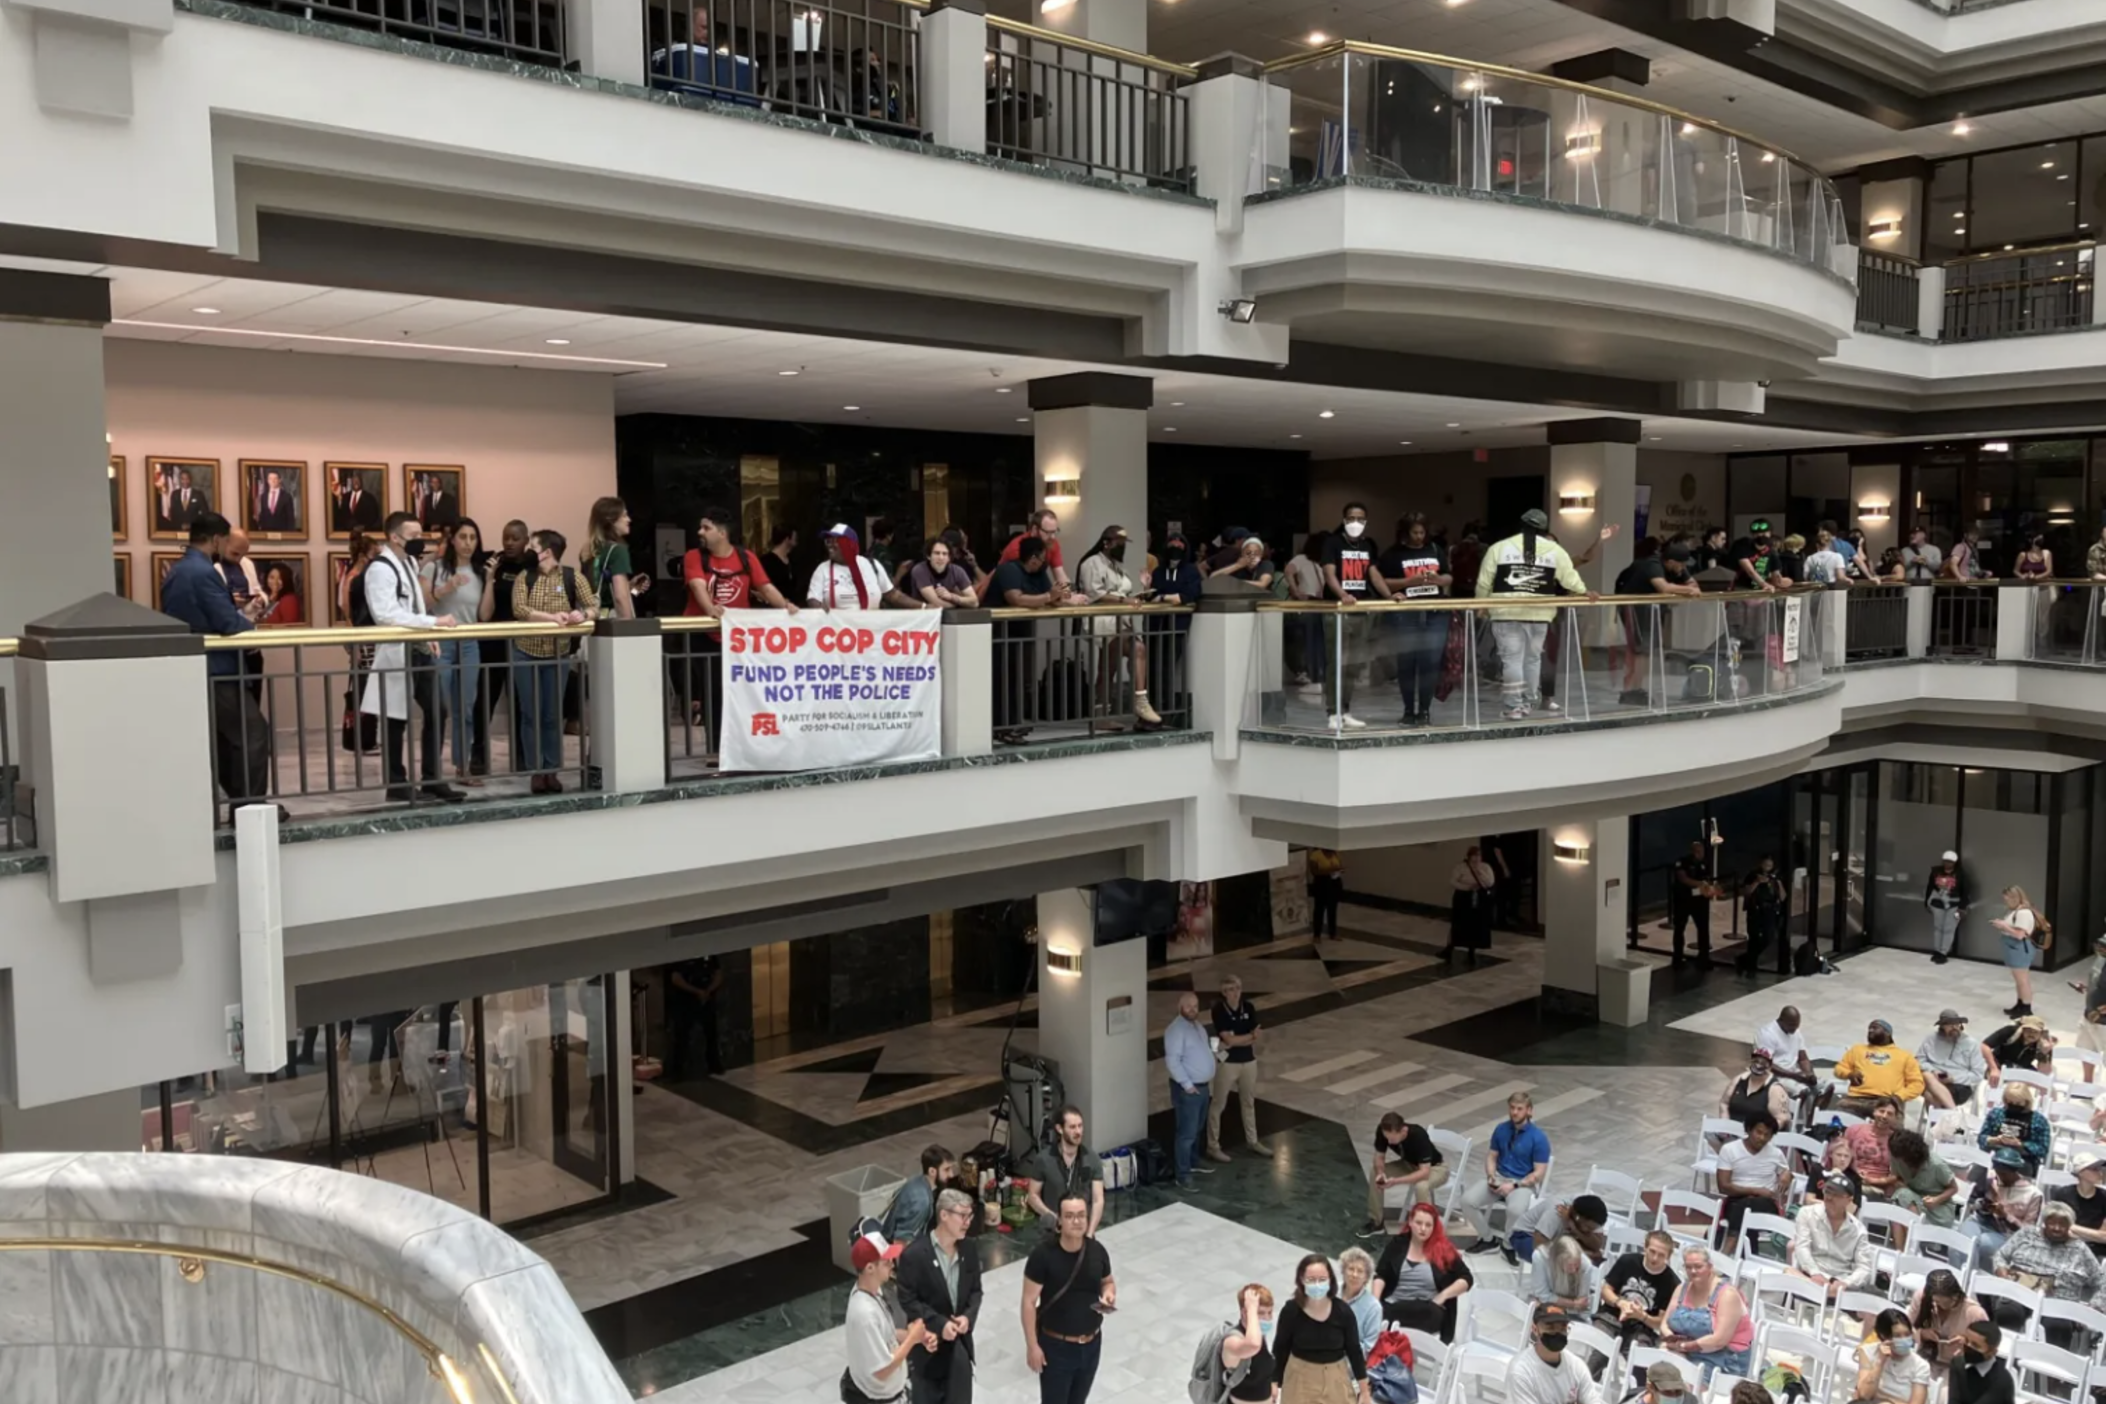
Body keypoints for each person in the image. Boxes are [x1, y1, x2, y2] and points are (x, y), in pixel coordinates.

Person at [161, 512, 275, 812]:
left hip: (200, 666)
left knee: (226, 741)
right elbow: (227, 622)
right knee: (253, 735)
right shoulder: (202, 572)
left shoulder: (180, 569)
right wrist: (249, 628)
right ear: (215, 540)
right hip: (218, 669)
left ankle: (242, 804)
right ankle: (252, 809)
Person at [362, 511, 467, 804]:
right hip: (398, 650)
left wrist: (427, 633)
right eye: (414, 536)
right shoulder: (380, 569)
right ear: (394, 537)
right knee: (396, 719)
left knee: (437, 710)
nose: (420, 542)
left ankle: (432, 779)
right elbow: (386, 614)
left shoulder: (408, 562)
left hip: (417, 647)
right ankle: (397, 783)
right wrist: (433, 625)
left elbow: (416, 605)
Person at [1477, 508, 1594, 722]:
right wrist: (1583, 591)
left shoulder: (1499, 548)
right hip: (1540, 614)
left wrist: (1481, 604)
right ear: (1544, 529)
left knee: (1512, 661)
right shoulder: (1554, 550)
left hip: (1506, 612)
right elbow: (1569, 578)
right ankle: (1529, 701)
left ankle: (1514, 706)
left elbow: (1484, 581)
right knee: (1532, 660)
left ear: (1521, 525)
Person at [511, 527, 597, 794]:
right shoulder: (525, 577)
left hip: (558, 654)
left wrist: (582, 615)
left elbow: (593, 603)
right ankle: (535, 770)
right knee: (530, 713)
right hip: (525, 652)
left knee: (551, 715)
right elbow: (520, 610)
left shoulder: (573, 577)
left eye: (533, 546)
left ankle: (552, 769)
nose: (529, 551)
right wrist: (551, 618)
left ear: (546, 552)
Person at [1020, 1193, 1114, 1404]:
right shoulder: (1043, 1256)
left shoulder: (1096, 1251)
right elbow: (1028, 1302)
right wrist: (1032, 1346)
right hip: (1057, 1346)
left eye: (1081, 1215)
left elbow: (1107, 1281)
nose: (1077, 1221)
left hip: (1091, 1343)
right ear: (1059, 1220)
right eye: (1070, 1216)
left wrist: (1109, 1293)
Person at [896, 1188, 981, 1404]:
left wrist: (967, 1318)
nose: (967, 1222)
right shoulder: (914, 1256)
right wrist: (939, 1323)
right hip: (927, 1352)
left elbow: (975, 1291)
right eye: (962, 1215)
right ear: (943, 1215)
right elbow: (908, 1300)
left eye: (970, 1216)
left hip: (959, 1350)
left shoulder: (969, 1249)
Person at [1319, 502, 1398, 730]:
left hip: (1360, 610)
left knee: (1353, 663)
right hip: (1337, 610)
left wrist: (1390, 595)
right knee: (1337, 661)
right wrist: (1342, 594)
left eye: (1360, 519)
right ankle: (1332, 712)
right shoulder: (1333, 543)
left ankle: (1345, 710)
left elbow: (1373, 574)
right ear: (1344, 520)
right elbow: (1328, 572)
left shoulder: (1366, 546)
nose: (1356, 523)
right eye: (1351, 518)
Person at [1074, 525, 1163, 728]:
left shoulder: (1117, 566)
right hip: (1102, 621)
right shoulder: (1092, 563)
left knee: (1109, 666)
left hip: (1122, 621)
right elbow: (1094, 593)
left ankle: (1101, 715)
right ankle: (1140, 702)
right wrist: (1124, 601)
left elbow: (1125, 592)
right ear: (1107, 542)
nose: (1122, 547)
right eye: (1119, 543)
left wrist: (1143, 588)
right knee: (1131, 652)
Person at [420, 518, 484, 788]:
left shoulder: (480, 572)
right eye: (463, 537)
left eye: (473, 537)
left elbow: (484, 613)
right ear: (453, 540)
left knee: (466, 708)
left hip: (469, 642)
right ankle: (432, 773)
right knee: (439, 708)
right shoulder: (433, 568)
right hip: (440, 642)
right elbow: (422, 603)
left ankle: (462, 766)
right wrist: (447, 587)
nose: (468, 543)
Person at [988, 535, 1067, 744]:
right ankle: (1001, 726)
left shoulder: (1039, 573)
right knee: (1002, 680)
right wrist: (1048, 597)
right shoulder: (1008, 570)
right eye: (1042, 559)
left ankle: (1014, 721)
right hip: (999, 634)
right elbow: (1016, 598)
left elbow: (1051, 596)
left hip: (1023, 633)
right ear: (1032, 558)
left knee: (1020, 679)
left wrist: (1065, 597)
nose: (1044, 563)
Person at [1460, 1092, 1551, 1264]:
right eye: (1512, 1108)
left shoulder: (1539, 1138)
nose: (1515, 1112)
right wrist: (1491, 1176)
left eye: (1519, 1109)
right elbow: (1492, 1156)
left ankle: (1508, 1245)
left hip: (1522, 1183)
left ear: (1529, 1111)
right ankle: (1488, 1239)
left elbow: (1538, 1174)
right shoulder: (1501, 1129)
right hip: (1500, 1176)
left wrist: (1514, 1186)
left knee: (1515, 1210)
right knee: (1467, 1200)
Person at [472, 519, 533, 778]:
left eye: (515, 538)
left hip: (521, 644)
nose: (509, 543)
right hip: (492, 645)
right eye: (505, 537)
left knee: (521, 704)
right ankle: (478, 755)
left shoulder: (533, 567)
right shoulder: (493, 564)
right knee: (483, 702)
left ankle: (522, 757)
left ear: (526, 540)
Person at [1378, 514, 1451, 727]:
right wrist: (1410, 581)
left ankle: (1425, 710)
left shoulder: (1435, 550)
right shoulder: (1393, 554)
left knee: (1430, 663)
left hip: (1435, 612)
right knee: (1407, 663)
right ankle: (1409, 709)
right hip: (1406, 613)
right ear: (1405, 533)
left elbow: (1448, 576)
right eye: (1415, 532)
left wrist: (1438, 579)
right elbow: (1382, 582)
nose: (1419, 537)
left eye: (1422, 532)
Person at [1270, 1253, 1371, 1404]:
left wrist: (1364, 1390)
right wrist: (1274, 1382)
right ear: (1301, 1280)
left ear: (1330, 1280)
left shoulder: (1343, 1312)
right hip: (1300, 1376)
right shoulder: (1291, 1310)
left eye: (1322, 1280)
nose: (1317, 1284)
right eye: (1311, 1280)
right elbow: (1280, 1348)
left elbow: (1354, 1351)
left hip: (1335, 1376)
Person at [845, 1232, 928, 1404]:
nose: (892, 1265)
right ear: (870, 1268)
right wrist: (911, 1339)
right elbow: (882, 1370)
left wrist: (919, 1337)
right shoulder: (864, 1314)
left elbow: (886, 1335)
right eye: (886, 1262)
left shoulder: (874, 1291)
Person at [1373, 1201, 1473, 1342]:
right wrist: (1374, 1302)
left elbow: (1467, 1278)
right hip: (1396, 1304)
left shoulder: (1443, 1249)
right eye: (1419, 1223)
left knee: (1429, 1313)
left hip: (1428, 1309)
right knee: (1378, 1313)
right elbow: (1381, 1274)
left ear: (1434, 1227)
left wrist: (1444, 1295)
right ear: (1410, 1222)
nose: (1423, 1229)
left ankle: (1396, 1335)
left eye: (1428, 1225)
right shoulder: (1398, 1244)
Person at [1616, 542, 1701, 701]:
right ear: (1670, 561)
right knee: (1640, 650)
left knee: (1647, 651)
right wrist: (1687, 590)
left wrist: (1687, 588)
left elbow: (1693, 584)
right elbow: (1664, 588)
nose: (1683, 568)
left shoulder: (1677, 568)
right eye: (1681, 564)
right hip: (1635, 610)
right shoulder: (1652, 564)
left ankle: (1638, 688)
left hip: (1653, 611)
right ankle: (1631, 690)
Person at [1991, 1201, 2100, 1320]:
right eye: (2052, 1223)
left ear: (2070, 1226)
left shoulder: (2080, 1249)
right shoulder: (2027, 1234)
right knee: (2007, 1313)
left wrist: (2092, 1310)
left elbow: (2102, 1281)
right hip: (2019, 1293)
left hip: (2058, 1304)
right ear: (2044, 1222)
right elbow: (2000, 1255)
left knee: (2056, 1326)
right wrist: (2003, 1276)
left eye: (2063, 1224)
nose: (2057, 1228)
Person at [1660, 1243, 1752, 1380]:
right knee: (1657, 1370)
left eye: (1698, 1266)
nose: (1693, 1271)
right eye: (1688, 1267)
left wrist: (1684, 1347)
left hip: (1722, 1358)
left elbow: (1719, 1340)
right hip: (1684, 1349)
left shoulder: (1727, 1295)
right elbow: (1664, 1324)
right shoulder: (1682, 1288)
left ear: (1710, 1267)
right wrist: (1670, 1339)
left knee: (1677, 1382)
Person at [1207, 976, 1268, 1161]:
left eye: (1238, 988)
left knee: (1248, 1101)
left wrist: (1241, 1039)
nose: (1236, 992)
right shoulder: (1219, 1010)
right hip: (1228, 1063)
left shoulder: (1248, 1007)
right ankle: (1213, 1145)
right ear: (1224, 993)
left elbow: (1256, 1036)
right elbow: (1228, 1040)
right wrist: (1246, 1037)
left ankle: (1253, 1140)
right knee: (1218, 1103)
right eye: (1231, 989)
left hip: (1249, 1061)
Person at [1790, 1172, 1875, 1298]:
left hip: (1840, 1281)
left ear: (1849, 1200)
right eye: (1827, 1192)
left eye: (1836, 1195)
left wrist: (1846, 1283)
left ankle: (1828, 1294)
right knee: (1789, 1272)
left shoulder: (1858, 1229)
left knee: (1874, 1294)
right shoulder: (1806, 1214)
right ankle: (1824, 1293)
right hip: (1813, 1275)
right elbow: (1802, 1247)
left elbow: (1865, 1267)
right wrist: (1815, 1273)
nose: (1829, 1197)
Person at [1715, 1112, 1792, 1252]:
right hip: (1736, 1200)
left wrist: (1787, 1175)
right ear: (1749, 1129)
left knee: (1747, 1206)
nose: (1762, 1138)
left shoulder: (1776, 1153)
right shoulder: (1729, 1150)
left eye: (1767, 1135)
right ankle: (1743, 1250)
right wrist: (1755, 1191)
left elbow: (1786, 1172)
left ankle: (1728, 1248)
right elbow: (1723, 1187)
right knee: (1745, 1206)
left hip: (1766, 1203)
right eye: (1759, 1132)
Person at [1022, 1107, 1104, 1237]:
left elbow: (1098, 1200)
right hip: (1053, 1232)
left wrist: (1090, 1232)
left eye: (1080, 1126)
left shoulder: (1092, 1158)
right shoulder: (1044, 1159)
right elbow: (1032, 1196)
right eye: (1072, 1127)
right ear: (1060, 1129)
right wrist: (1055, 1218)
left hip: (1082, 1232)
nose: (1078, 1131)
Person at [1361, 1112, 1446, 1238]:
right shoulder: (1383, 1131)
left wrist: (1395, 1181)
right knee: (1374, 1173)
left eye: (1392, 1139)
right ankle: (1376, 1222)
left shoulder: (1418, 1135)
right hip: (1408, 1164)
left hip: (1434, 1168)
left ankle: (1427, 1231)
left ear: (1403, 1130)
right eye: (1387, 1138)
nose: (1389, 1141)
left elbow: (1424, 1172)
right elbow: (1379, 1156)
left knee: (1421, 1186)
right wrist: (1380, 1173)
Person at [1164, 992, 1214, 1191]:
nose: (1193, 1009)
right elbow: (1172, 1060)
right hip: (1189, 1090)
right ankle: (1182, 1174)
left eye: (1195, 1006)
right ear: (1180, 1007)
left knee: (1197, 1128)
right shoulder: (1176, 1030)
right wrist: (1187, 1084)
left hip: (1202, 1087)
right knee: (1186, 1133)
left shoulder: (1197, 1026)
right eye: (1189, 1006)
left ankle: (1193, 1162)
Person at [1503, 1304, 1601, 1404]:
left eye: (1562, 1328)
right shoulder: (1521, 1371)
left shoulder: (1576, 1366)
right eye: (1550, 1327)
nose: (1557, 1333)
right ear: (1535, 1330)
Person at [1598, 1229, 1680, 1350]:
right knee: (1599, 1352)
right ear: (1645, 1247)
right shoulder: (1627, 1261)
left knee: (1640, 1360)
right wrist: (1620, 1303)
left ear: (1668, 1256)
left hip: (1642, 1327)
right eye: (1652, 1251)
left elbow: (1662, 1322)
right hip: (1611, 1316)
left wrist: (1642, 1316)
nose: (1655, 1258)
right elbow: (1605, 1290)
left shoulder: (1672, 1282)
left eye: (1661, 1255)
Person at [809, 523, 919, 610]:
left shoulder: (872, 565)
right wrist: (823, 615)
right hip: (839, 634)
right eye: (828, 541)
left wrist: (923, 607)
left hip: (869, 633)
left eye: (836, 541)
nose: (830, 545)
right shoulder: (823, 569)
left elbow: (893, 595)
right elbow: (814, 600)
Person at [1964, 1147, 2043, 1269]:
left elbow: (2028, 1232)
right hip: (1980, 1222)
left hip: (2006, 1235)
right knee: (1962, 1240)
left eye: (2004, 1174)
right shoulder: (1990, 1178)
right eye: (1997, 1171)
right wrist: (1983, 1204)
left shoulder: (2033, 1194)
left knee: (1982, 1244)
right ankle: (1958, 1279)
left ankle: (1975, 1281)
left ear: (2015, 1171)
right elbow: (1972, 1203)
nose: (2000, 1176)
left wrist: (2005, 1215)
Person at [1836, 1020, 1927, 1117]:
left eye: (1875, 1028)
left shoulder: (1904, 1056)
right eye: (1869, 1028)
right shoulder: (1857, 1050)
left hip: (1887, 1101)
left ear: (1888, 1033)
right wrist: (1849, 1074)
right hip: (1855, 1099)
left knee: (1888, 1123)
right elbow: (1840, 1068)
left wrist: (1900, 1096)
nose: (1870, 1030)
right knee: (1837, 1121)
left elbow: (1917, 1084)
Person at [1906, 1268, 1986, 1378]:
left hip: (1957, 1367)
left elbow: (1987, 1348)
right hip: (1925, 1359)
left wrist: (1967, 1343)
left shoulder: (1975, 1313)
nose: (1943, 1306)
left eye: (1948, 1302)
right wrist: (1922, 1334)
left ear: (1956, 1295)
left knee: (1944, 1393)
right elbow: (1905, 1328)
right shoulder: (1921, 1299)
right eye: (1937, 1302)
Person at [1205, 1284, 1275, 1404]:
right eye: (1261, 1313)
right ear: (1245, 1312)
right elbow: (1253, 1345)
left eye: (1269, 1313)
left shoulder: (1257, 1335)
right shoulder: (1232, 1341)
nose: (1267, 1318)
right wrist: (1251, 1308)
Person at [1827, 1096, 1904, 1197]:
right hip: (1849, 1177)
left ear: (1895, 1118)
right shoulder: (1854, 1130)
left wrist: (1872, 1180)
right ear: (1874, 1111)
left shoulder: (1897, 1141)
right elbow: (1841, 1153)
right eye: (1881, 1111)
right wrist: (1856, 1171)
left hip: (1876, 1186)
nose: (1884, 1116)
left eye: (1889, 1114)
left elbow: (1896, 1175)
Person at [1852, 1307, 1932, 1404]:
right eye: (1897, 1336)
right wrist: (1880, 1362)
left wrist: (1888, 1401)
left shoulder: (1920, 1366)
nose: (1904, 1340)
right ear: (1883, 1336)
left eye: (1907, 1334)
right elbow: (1864, 1395)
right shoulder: (1867, 1352)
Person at [882, 1145, 955, 1246]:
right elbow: (901, 1241)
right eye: (947, 1170)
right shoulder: (921, 1202)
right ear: (932, 1171)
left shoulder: (917, 1181)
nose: (951, 1174)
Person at [1989, 886, 2044, 1017]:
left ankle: (2026, 1008)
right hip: (2014, 948)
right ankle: (2019, 1004)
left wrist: (2003, 926)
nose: (2005, 901)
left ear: (2015, 897)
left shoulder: (2024, 913)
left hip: (2020, 948)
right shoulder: (2015, 911)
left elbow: (2020, 934)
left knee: (2022, 980)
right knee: (2019, 979)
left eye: (2007, 898)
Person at [1888, 1130, 1959, 1228]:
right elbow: (1895, 1177)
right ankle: (1905, 1242)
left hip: (1937, 1209)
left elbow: (1954, 1188)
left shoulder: (1936, 1164)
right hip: (1911, 1199)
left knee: (1903, 1195)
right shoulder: (1896, 1157)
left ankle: (1914, 1238)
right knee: (1900, 1199)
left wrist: (1936, 1200)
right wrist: (1899, 1184)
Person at [1919, 1008, 1986, 1110]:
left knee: (1932, 1096)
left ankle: (1940, 1119)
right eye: (1949, 1025)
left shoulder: (1971, 1044)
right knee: (1926, 1077)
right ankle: (1951, 1115)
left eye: (1956, 1024)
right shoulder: (1931, 1039)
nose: (1954, 1027)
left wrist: (1954, 1078)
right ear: (1942, 1026)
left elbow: (1978, 1075)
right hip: (1933, 1078)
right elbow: (1919, 1060)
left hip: (1959, 1085)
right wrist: (1933, 1071)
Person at [1977, 1083, 2051, 1175]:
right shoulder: (1995, 1114)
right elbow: (1981, 1138)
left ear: (2026, 1102)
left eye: (2018, 1103)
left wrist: (2021, 1144)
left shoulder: (2039, 1120)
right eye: (2010, 1103)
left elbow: (2043, 1149)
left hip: (2022, 1160)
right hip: (1995, 1153)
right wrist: (1994, 1140)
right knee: (1979, 1165)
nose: (2014, 1105)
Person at [1755, 1005, 1820, 1102]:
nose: (1795, 1029)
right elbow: (1765, 1064)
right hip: (1776, 1075)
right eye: (1792, 1026)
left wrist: (1809, 1074)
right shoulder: (1767, 1034)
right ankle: (1799, 1114)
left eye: (1797, 1025)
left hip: (1794, 1073)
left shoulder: (1795, 1032)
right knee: (1803, 1091)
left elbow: (1803, 1058)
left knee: (1822, 1088)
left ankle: (1815, 1112)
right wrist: (1794, 1075)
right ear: (1782, 1020)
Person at [1718, 1049, 1795, 1129]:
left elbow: (1782, 1119)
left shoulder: (1775, 1089)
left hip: (1758, 1135)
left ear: (1769, 1066)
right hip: (1731, 1129)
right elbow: (1724, 1103)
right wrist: (1725, 1124)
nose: (1758, 1065)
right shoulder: (1739, 1080)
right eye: (1756, 1061)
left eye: (1763, 1063)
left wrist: (1762, 1134)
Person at [1670, 840, 1718, 969]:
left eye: (1701, 851)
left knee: (1703, 929)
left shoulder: (1705, 863)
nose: (1699, 854)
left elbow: (1707, 879)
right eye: (1697, 851)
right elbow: (1683, 878)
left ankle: (1703, 958)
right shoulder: (1682, 862)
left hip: (1699, 901)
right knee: (1679, 928)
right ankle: (1678, 958)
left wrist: (1709, 888)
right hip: (1683, 900)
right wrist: (1700, 884)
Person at [1000, 509, 1071, 595]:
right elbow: (1020, 592)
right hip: (1009, 590)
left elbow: (1060, 576)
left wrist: (1068, 596)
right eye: (1048, 532)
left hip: (1034, 584)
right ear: (1034, 530)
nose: (1053, 537)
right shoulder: (1018, 548)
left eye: (1055, 531)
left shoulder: (1051, 543)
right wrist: (1055, 598)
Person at [1738, 856, 1788, 976]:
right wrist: (1757, 882)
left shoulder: (1774, 878)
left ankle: (1744, 959)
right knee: (1754, 938)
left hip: (1770, 911)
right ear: (1761, 864)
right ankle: (1751, 967)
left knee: (1768, 937)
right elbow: (1746, 892)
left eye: (1770, 866)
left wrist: (1778, 882)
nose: (1767, 868)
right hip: (1756, 910)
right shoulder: (1753, 875)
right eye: (1765, 865)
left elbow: (1783, 897)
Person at [2052, 1150, 2106, 1261]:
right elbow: (2053, 1225)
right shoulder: (2063, 1194)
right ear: (2080, 1172)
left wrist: (2070, 1227)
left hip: (2094, 1253)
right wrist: (2092, 1235)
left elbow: (2104, 1237)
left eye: (2100, 1169)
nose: (2100, 1172)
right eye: (2094, 1169)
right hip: (2063, 1246)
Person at [1529, 1233, 1600, 1316]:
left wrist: (1575, 1305)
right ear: (1558, 1261)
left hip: (1572, 1312)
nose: (1574, 1270)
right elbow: (1542, 1295)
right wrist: (1573, 1304)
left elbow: (1582, 1302)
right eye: (1570, 1266)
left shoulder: (1586, 1265)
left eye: (1577, 1266)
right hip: (1545, 1307)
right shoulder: (1540, 1258)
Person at [1447, 845, 1496, 965]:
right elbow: (1453, 881)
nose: (1476, 858)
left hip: (1480, 898)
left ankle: (1472, 950)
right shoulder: (1461, 867)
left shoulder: (1485, 867)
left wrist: (1479, 871)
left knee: (1476, 924)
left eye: (1478, 855)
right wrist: (1467, 887)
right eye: (1474, 856)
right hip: (1464, 897)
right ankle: (1451, 947)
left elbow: (1490, 882)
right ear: (1469, 857)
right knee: (1460, 923)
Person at [1948, 1320, 2014, 1404]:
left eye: (1975, 1345)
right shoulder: (1958, 1364)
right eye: (1967, 1341)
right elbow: (1953, 1400)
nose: (1968, 1347)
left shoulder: (2002, 1380)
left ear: (1992, 1352)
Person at [1982, 1015, 2055, 1086]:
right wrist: (1993, 1068)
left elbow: (2044, 1072)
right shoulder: (2010, 1031)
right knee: (1995, 1081)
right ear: (2023, 1029)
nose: (2031, 1034)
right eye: (2029, 1030)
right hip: (2000, 1063)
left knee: (2044, 1085)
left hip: (2023, 1067)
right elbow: (1985, 1046)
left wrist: (2044, 1054)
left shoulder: (2044, 1044)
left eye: (2035, 1032)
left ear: (2041, 1034)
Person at [1924, 851, 1968, 965]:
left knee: (1949, 929)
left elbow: (1965, 891)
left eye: (1950, 862)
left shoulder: (1960, 874)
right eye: (1946, 861)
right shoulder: (1935, 872)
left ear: (1954, 863)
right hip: (1937, 904)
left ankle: (1943, 952)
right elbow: (1930, 887)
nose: (1947, 864)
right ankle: (1937, 951)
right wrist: (1926, 902)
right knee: (1938, 928)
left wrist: (1962, 907)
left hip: (1954, 905)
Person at [909, 538, 979, 609]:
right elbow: (937, 603)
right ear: (928, 556)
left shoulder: (957, 571)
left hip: (951, 616)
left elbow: (974, 602)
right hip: (923, 615)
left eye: (944, 554)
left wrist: (952, 597)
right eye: (937, 553)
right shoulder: (920, 570)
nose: (941, 557)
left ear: (949, 558)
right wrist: (959, 604)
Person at [1336, 1250, 1381, 1356]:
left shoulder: (1373, 1308)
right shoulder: (1330, 1290)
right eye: (1351, 1269)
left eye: (1360, 1271)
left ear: (1366, 1277)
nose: (1354, 1275)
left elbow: (1368, 1347)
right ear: (1343, 1270)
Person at [1306, 848, 1343, 941]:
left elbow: (1339, 866)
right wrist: (1329, 871)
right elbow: (1314, 871)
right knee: (1319, 909)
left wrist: (1338, 870)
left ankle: (1333, 933)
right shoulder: (1316, 855)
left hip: (1334, 884)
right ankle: (1317, 935)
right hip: (1321, 884)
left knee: (1332, 909)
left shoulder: (1335, 854)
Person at [333, 468, 381, 534]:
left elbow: (374, 517)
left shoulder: (369, 498)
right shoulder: (344, 497)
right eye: (354, 480)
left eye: (358, 480)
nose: (356, 482)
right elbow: (341, 515)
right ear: (351, 482)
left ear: (361, 482)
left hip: (364, 533)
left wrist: (364, 526)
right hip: (346, 533)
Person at [252, 466, 298, 533]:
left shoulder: (287, 497)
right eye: (270, 479)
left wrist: (290, 534)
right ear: (267, 480)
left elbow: (290, 518)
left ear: (279, 480)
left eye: (275, 478)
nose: (272, 481)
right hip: (266, 533)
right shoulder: (263, 496)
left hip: (283, 533)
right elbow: (263, 515)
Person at [760, 525, 799, 603]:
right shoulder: (766, 561)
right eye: (795, 536)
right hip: (774, 608)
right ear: (787, 539)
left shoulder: (792, 560)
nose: (797, 539)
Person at [259, 562, 301, 627]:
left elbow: (289, 627)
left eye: (280, 578)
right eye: (272, 577)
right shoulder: (265, 598)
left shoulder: (289, 599)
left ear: (286, 580)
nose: (275, 582)